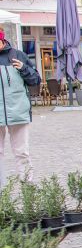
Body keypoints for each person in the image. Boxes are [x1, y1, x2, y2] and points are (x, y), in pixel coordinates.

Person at [0, 30, 40, 180]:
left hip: (18, 111)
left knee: (22, 153)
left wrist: (24, 68)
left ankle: (27, 188)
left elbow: (35, 80)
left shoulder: (18, 55)